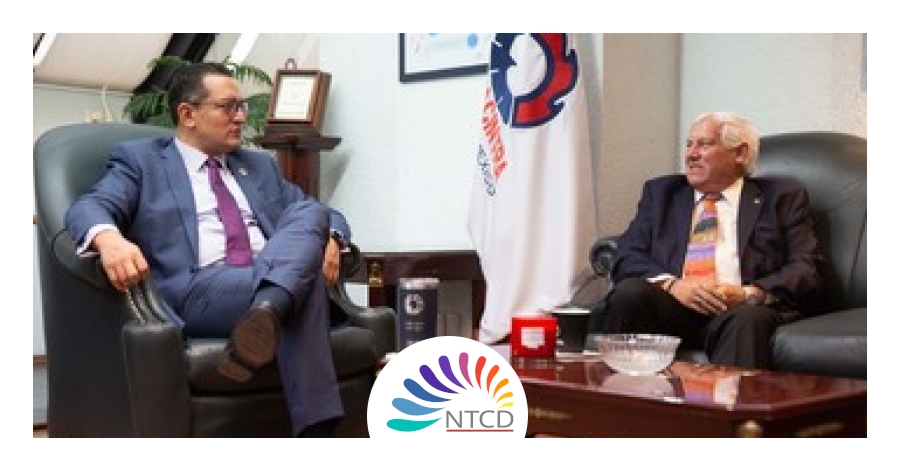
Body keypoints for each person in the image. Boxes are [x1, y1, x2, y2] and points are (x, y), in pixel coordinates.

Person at [65, 62, 349, 437]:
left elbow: (323, 215)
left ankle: (265, 314)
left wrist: (331, 239)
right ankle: (316, 433)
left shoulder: (259, 166)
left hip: (264, 275)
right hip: (198, 290)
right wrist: (109, 239)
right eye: (228, 107)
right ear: (188, 114)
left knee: (310, 212)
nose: (241, 117)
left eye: (241, 106)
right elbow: (89, 207)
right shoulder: (142, 162)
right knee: (304, 282)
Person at [596, 111, 824, 369]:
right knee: (629, 294)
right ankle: (623, 392)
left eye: (704, 145)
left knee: (748, 319)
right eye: (689, 145)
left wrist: (748, 294)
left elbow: (806, 268)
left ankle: (728, 396)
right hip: (673, 307)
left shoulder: (780, 197)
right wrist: (672, 286)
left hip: (738, 311)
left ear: (740, 153)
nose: (691, 155)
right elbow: (627, 255)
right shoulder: (661, 194)